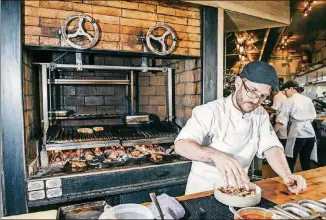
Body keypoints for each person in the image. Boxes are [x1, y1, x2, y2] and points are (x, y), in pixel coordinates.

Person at [174, 61, 307, 195]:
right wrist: (215, 155)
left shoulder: (260, 114)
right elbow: (181, 145)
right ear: (238, 83)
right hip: (202, 192)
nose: (256, 100)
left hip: (239, 191)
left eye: (263, 96)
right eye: (252, 91)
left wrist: (286, 175)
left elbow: (271, 146)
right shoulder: (209, 111)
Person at [274, 80, 317, 172]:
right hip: (310, 134)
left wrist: (272, 133)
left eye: (285, 91)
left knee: (290, 161)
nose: (285, 94)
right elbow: (313, 116)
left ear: (292, 88)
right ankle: (309, 183)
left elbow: (281, 120)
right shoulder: (308, 99)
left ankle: (289, 183)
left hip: (297, 134)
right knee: (306, 162)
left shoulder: (289, 101)